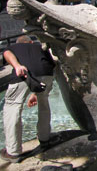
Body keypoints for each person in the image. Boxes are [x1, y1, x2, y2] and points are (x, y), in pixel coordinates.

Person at [1, 35, 55, 163]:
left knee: (13, 107)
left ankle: (13, 152)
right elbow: (52, 64)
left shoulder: (13, 47)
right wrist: (35, 93)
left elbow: (6, 53)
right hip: (47, 73)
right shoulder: (39, 47)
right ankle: (45, 139)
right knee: (44, 104)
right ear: (30, 42)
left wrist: (17, 66)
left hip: (24, 74)